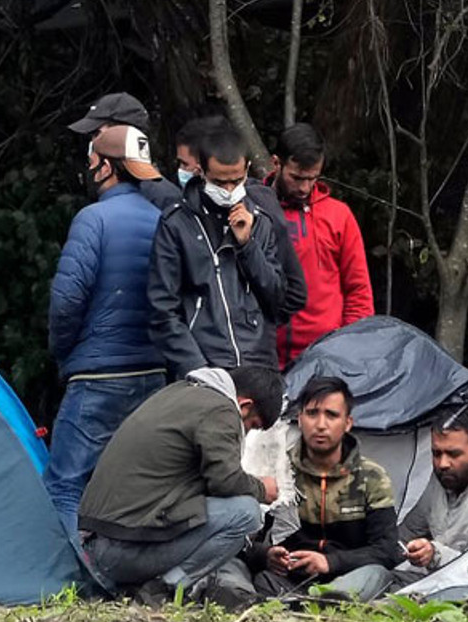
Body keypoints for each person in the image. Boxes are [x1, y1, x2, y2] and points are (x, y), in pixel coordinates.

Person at [45, 125, 168, 532]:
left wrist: (64, 353)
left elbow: (66, 302)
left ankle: (71, 576)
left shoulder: (92, 220)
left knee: (65, 485)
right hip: (152, 374)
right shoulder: (162, 220)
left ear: (105, 167)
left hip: (98, 374)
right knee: (132, 487)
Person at [78, 366, 283, 605]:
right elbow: (225, 481)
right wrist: (261, 489)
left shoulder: (180, 393)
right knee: (246, 513)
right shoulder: (221, 410)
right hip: (116, 553)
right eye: (252, 426)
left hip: (95, 543)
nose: (246, 434)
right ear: (245, 405)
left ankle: (139, 587)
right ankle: (164, 590)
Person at [235, 376, 399, 602]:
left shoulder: (372, 476)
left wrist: (330, 563)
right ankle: (303, 602)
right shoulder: (276, 472)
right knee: (255, 576)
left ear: (347, 423)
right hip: (287, 580)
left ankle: (323, 601)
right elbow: (245, 542)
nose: (321, 424)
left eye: (331, 415)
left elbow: (387, 550)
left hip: (349, 578)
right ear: (300, 419)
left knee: (376, 574)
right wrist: (267, 555)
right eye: (312, 413)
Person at [148, 123, 286, 377]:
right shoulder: (177, 224)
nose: (230, 191)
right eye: (220, 182)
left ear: (246, 170)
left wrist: (247, 245)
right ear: (201, 172)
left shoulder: (260, 220)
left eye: (236, 181)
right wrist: (196, 367)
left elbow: (276, 297)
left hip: (257, 364)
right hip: (204, 363)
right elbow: (162, 308)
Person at [175, 115, 307, 340]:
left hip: (254, 350)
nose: (184, 172)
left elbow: (292, 292)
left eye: (187, 165)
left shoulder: (261, 208)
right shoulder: (183, 214)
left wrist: (257, 329)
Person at [268, 124, 374, 368]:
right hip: (265, 355)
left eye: (313, 178)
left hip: (327, 356)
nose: (305, 188)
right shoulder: (254, 208)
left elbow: (359, 291)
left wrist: (348, 349)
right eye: (296, 178)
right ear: (277, 164)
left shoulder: (339, 215)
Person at [393, 407, 468, 587]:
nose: (442, 464)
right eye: (436, 453)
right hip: (428, 580)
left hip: (467, 590)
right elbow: (406, 533)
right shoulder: (440, 482)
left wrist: (434, 554)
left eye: (453, 454)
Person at [66, 92, 181, 210]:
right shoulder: (104, 189)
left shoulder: (163, 197)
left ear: (125, 132)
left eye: (97, 134)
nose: (93, 142)